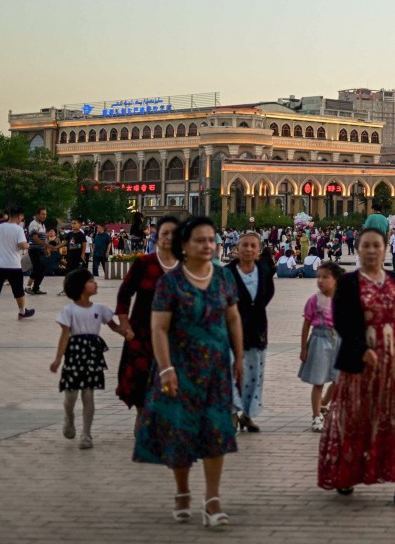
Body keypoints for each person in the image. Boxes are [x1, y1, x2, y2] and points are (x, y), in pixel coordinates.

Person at [133, 217, 244, 528]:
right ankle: (182, 491)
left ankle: (212, 499)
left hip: (216, 371)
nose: (207, 245)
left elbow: (233, 318)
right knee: (181, 432)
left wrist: (238, 357)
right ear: (184, 245)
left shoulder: (223, 277)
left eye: (211, 240)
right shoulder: (171, 283)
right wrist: (166, 367)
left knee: (216, 431)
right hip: (180, 370)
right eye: (200, 240)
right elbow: (158, 328)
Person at [318, 228, 395, 505]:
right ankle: (347, 475)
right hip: (361, 363)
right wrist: (362, 350)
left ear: (386, 249)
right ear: (358, 249)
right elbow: (341, 323)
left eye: (377, 245)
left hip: (394, 364)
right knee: (355, 418)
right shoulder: (349, 283)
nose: (372, 250)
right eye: (366, 245)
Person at [50, 268, 129, 449]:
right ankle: (69, 419)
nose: (95, 283)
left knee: (88, 394)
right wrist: (57, 359)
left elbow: (114, 326)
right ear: (79, 286)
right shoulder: (68, 310)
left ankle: (86, 433)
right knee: (70, 396)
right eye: (91, 281)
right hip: (74, 355)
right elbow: (64, 336)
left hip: (93, 354)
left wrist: (127, 332)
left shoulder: (100, 309)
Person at [115, 216, 180, 415]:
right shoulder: (145, 263)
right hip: (142, 330)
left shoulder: (186, 267)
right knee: (140, 375)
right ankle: (142, 415)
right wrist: (124, 322)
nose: (169, 237)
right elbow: (125, 292)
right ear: (156, 237)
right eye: (164, 233)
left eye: (173, 234)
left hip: (175, 333)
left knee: (172, 373)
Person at [227, 232, 275, 433]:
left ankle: (247, 415)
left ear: (258, 250)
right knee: (231, 371)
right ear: (237, 249)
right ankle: (232, 414)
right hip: (230, 330)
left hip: (257, 329)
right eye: (244, 245)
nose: (248, 249)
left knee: (254, 374)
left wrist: (254, 309)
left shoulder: (264, 270)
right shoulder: (227, 272)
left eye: (252, 246)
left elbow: (268, 293)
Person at [299, 261, 343, 432]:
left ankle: (324, 403)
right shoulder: (314, 300)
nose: (321, 281)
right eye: (319, 277)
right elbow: (306, 325)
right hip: (318, 340)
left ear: (335, 280)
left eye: (325, 277)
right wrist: (304, 348)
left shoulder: (341, 299)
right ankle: (316, 416)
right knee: (318, 381)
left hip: (337, 340)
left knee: (338, 378)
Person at [0, 206, 35, 325]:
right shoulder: (18, 229)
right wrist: (28, 245)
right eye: (22, 217)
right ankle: (22, 312)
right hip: (13, 265)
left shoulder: (0, 227)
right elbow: (22, 245)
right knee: (18, 291)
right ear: (19, 217)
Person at [25, 207, 49, 295]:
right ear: (37, 215)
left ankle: (36, 288)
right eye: (43, 214)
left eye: (45, 214)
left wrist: (46, 249)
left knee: (42, 269)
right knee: (37, 268)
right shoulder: (33, 224)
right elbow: (35, 238)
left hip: (41, 250)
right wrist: (46, 245)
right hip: (34, 250)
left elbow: (44, 238)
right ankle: (28, 287)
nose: (44, 216)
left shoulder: (42, 224)